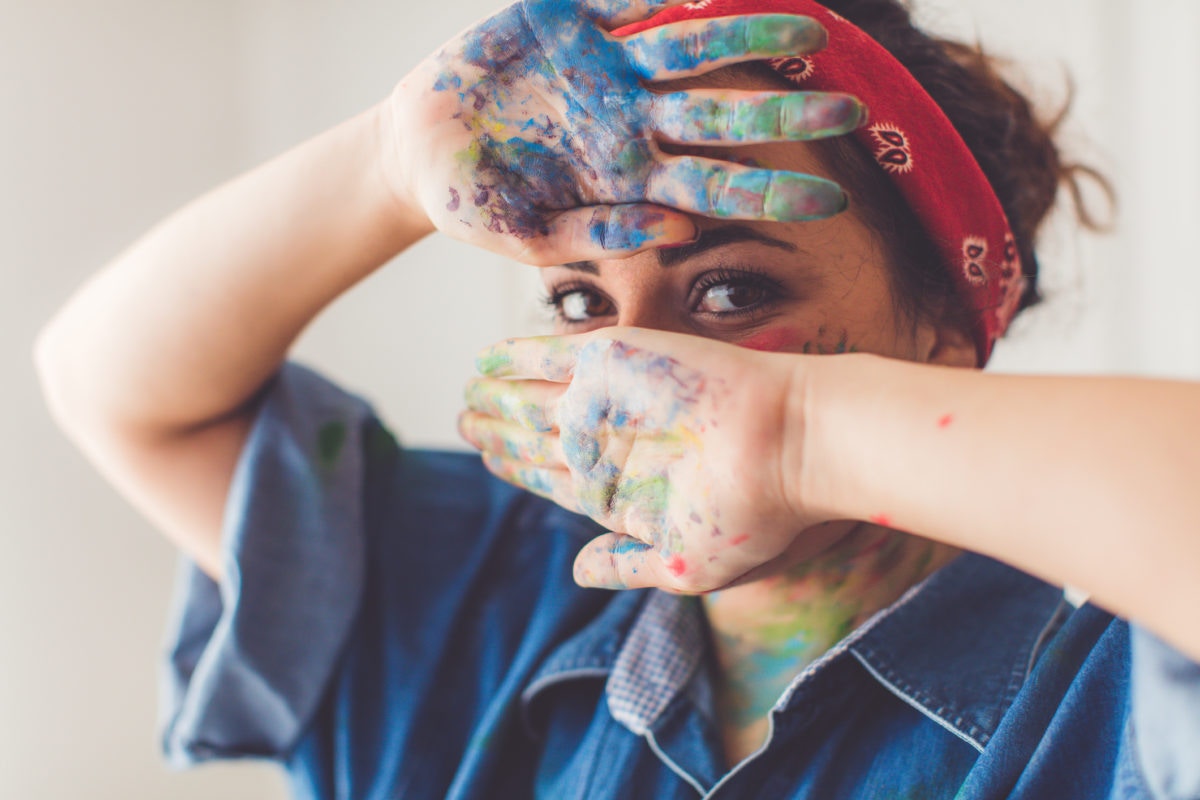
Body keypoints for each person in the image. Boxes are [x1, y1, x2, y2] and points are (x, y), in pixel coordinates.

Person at [32, 0, 1200, 797]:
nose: (633, 377)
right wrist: (387, 165)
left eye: (733, 290)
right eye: (583, 306)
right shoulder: (474, 603)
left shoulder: (1105, 709)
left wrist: (790, 435)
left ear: (947, 328)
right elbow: (117, 388)